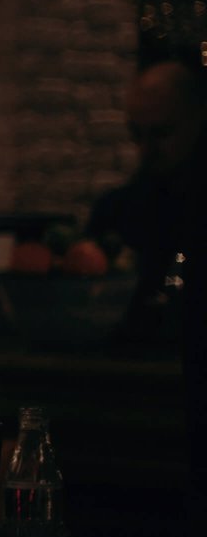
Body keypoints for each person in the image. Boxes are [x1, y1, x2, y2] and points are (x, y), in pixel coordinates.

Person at [87, 59, 206, 342]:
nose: (144, 149)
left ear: (199, 120)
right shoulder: (118, 209)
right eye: (136, 134)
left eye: (161, 133)